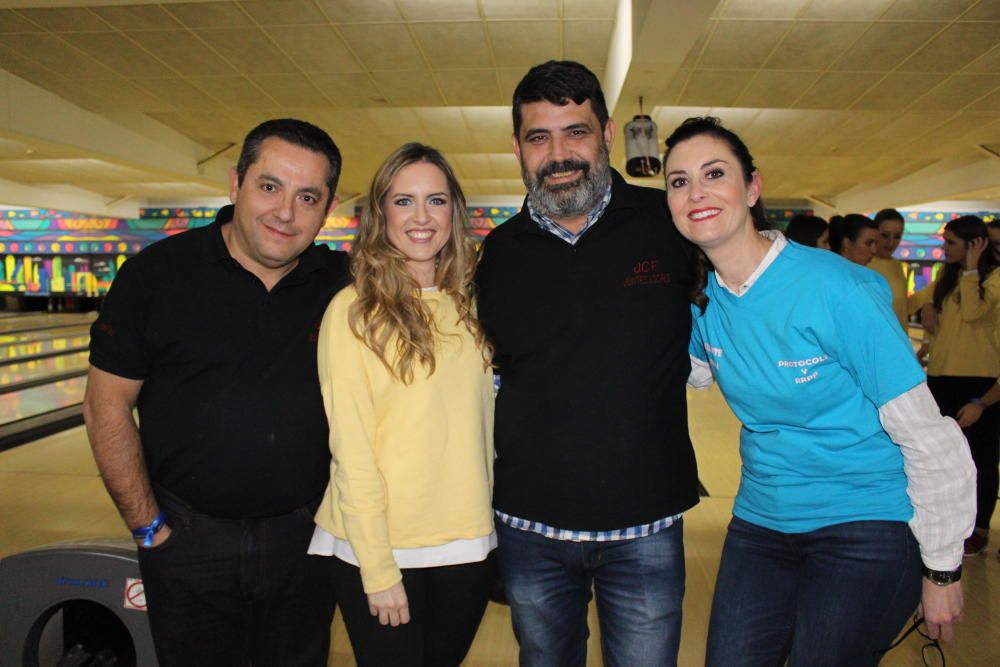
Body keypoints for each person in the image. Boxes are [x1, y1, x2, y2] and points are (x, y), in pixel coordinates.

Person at [663, 116, 975, 666]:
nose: (697, 193)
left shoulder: (840, 288)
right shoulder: (700, 301)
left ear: (753, 187)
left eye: (714, 173)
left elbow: (927, 432)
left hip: (865, 524)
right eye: (679, 181)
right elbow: (671, 373)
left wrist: (943, 565)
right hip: (761, 524)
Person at [84, 119, 350, 667]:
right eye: (269, 186)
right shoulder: (155, 276)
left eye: (307, 197)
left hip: (305, 542)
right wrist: (150, 529)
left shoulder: (344, 286)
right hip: (187, 543)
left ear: (327, 209)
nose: (285, 212)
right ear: (236, 184)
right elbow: (105, 404)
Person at [475, 60, 699, 666]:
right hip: (530, 527)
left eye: (575, 131)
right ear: (518, 148)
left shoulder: (669, 226)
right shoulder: (496, 255)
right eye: (538, 137)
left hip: (646, 522)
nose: (558, 153)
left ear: (606, 133)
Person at [309, 143, 496, 666]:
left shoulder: (470, 303)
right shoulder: (353, 312)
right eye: (403, 201)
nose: (421, 217)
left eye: (435, 201)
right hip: (383, 546)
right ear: (380, 214)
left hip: (467, 542)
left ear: (454, 212)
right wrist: (378, 568)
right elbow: (352, 452)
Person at [914, 216, 1000, 556]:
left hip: (980, 379)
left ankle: (978, 529)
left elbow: (976, 312)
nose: (943, 249)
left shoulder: (993, 278)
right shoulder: (947, 278)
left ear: (973, 245)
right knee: (942, 457)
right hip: (943, 376)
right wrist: (927, 304)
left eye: (951, 243)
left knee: (979, 457)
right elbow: (927, 308)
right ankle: (947, 522)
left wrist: (972, 269)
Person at [869, 207, 911, 329]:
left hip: (898, 342)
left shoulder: (897, 265)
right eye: (885, 235)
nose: (891, 243)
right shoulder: (863, 264)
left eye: (897, 237)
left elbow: (902, 307)